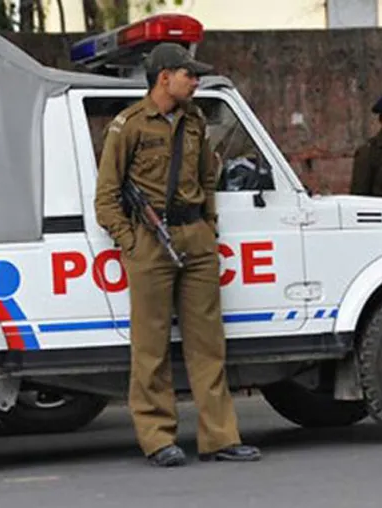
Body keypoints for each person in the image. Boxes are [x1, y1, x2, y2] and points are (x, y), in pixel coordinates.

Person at [94, 42, 262, 468]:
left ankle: (219, 437)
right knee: (150, 347)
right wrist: (132, 242)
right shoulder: (128, 125)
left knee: (209, 345)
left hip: (195, 238)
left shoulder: (195, 121)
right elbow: (106, 197)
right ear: (165, 77)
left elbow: (207, 178)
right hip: (150, 241)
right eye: (189, 74)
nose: (196, 81)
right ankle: (157, 439)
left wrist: (209, 226)